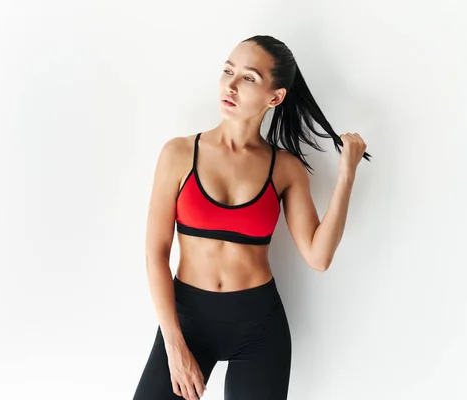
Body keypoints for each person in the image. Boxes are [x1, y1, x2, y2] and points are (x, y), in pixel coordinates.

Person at [132, 35, 370, 400]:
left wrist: (346, 175)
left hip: (260, 328)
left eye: (249, 78)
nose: (230, 84)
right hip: (187, 321)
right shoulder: (179, 153)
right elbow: (155, 255)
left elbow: (318, 257)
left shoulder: (285, 169)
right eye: (228, 70)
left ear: (274, 98)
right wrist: (174, 344)